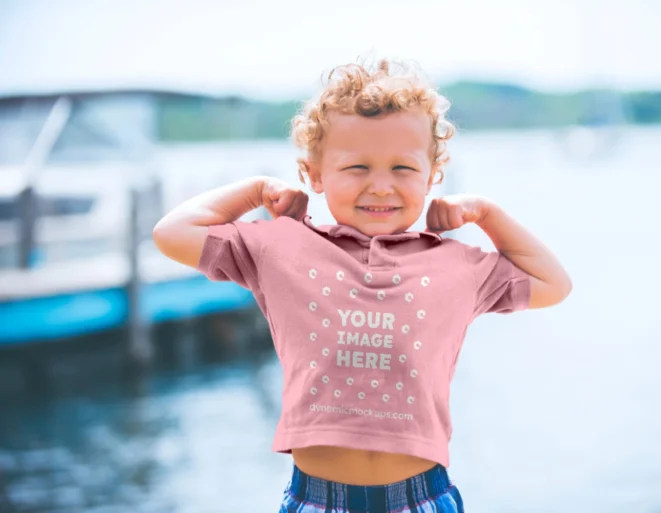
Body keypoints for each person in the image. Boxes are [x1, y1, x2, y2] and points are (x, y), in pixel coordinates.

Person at [153, 57, 572, 512]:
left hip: (421, 497)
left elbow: (553, 283)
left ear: (432, 176)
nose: (380, 186)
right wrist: (255, 191)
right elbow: (171, 234)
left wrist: (487, 214)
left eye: (402, 169)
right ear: (314, 174)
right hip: (317, 499)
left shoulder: (455, 264)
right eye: (356, 168)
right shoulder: (281, 248)